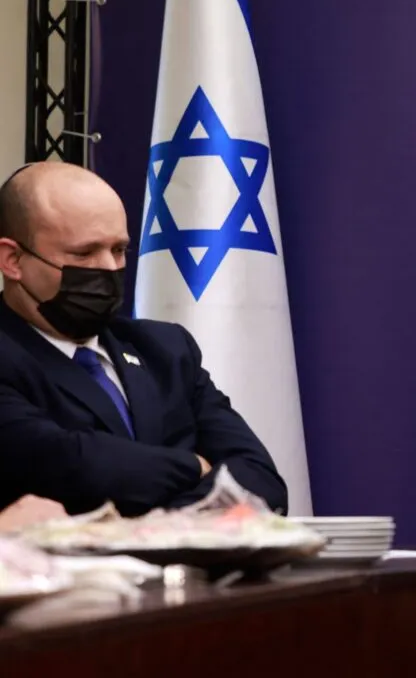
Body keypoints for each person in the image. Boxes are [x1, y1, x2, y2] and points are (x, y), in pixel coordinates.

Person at [0, 161, 287, 518]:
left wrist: (169, 527)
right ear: (13, 260)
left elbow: (259, 477)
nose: (108, 268)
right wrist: (196, 467)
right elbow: (72, 466)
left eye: (118, 250)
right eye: (83, 253)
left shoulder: (165, 348)